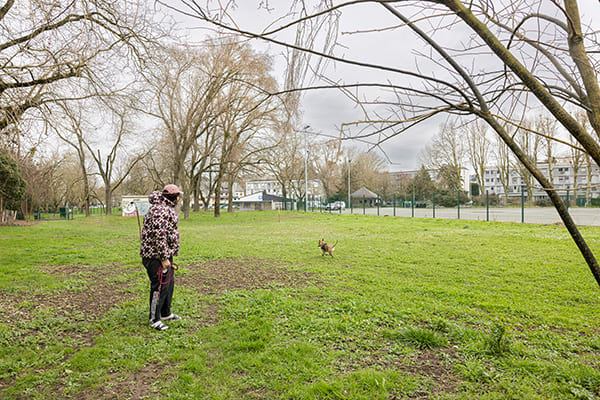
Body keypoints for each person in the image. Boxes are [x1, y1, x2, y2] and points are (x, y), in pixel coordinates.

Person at [140, 184, 183, 331]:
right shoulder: (160, 210)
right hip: (155, 257)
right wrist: (164, 258)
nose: (179, 199)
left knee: (168, 285)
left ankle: (165, 313)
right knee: (159, 286)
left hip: (164, 255)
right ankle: (154, 319)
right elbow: (159, 236)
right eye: (178, 196)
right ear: (174, 197)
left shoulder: (165, 208)